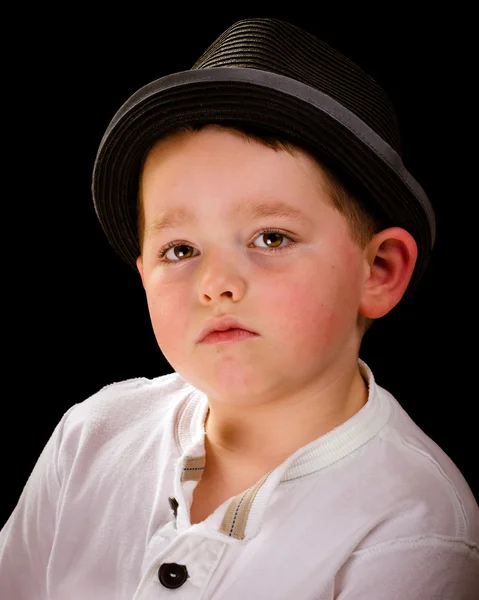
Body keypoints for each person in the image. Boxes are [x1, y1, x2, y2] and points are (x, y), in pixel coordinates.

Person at [1, 16, 478, 599]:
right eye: (180, 249)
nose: (216, 284)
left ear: (378, 271)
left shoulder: (409, 525)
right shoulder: (91, 436)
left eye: (270, 238)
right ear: (145, 276)